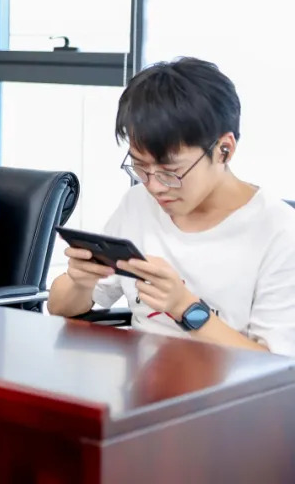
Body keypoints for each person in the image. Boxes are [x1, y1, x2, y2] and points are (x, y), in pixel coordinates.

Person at [47, 57, 295, 356]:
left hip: (230, 384)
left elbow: (278, 367)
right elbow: (59, 307)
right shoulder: (137, 204)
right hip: (140, 378)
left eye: (170, 172)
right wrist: (80, 282)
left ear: (224, 150)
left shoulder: (280, 232)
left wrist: (185, 308)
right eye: (140, 167)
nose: (154, 186)